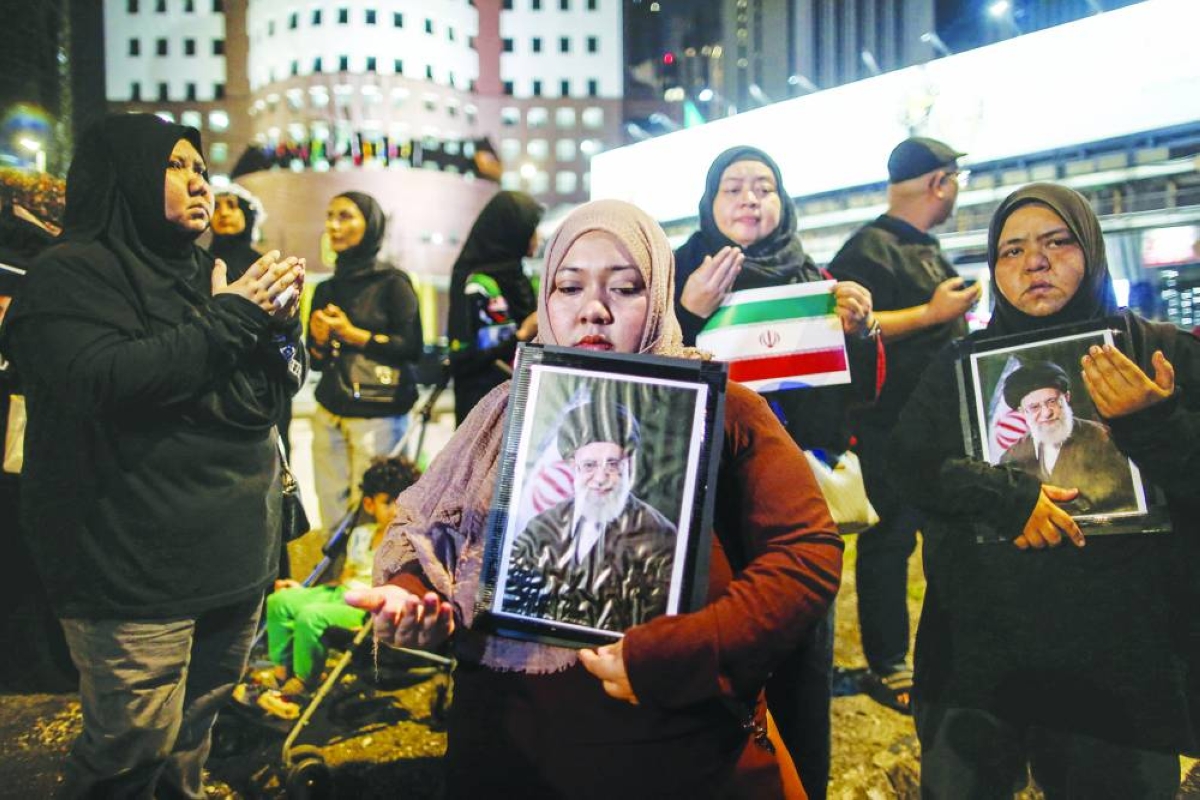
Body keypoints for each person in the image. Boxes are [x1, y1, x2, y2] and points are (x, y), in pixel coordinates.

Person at [345, 198, 842, 798]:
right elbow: (433, 537)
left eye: (626, 288)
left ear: (659, 294)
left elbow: (806, 552)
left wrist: (686, 652)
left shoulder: (724, 410)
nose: (594, 311)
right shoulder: (500, 418)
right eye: (568, 286)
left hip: (674, 754)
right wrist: (415, 598)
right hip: (510, 748)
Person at [1, 113, 305, 799]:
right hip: (132, 573)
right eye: (177, 166)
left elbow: (261, 398)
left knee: (187, 746)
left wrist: (282, 331)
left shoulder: (207, 273)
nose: (200, 182)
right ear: (127, 174)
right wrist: (236, 318)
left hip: (230, 564)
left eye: (202, 168)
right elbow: (104, 381)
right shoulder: (70, 277)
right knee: (129, 751)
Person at [890, 183, 1200, 797]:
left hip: (1120, 673)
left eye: (1057, 242)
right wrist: (1002, 495)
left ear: (1090, 248)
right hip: (984, 664)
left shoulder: (1156, 353)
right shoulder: (961, 366)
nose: (1035, 262)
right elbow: (906, 464)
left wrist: (1156, 423)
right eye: (1011, 251)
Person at [673, 145, 880, 799]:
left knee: (799, 659)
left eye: (765, 187)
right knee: (710, 659)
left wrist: (861, 330)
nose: (750, 199)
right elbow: (644, 381)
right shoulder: (676, 272)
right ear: (708, 204)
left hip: (793, 508)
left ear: (783, 203)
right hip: (701, 509)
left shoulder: (811, 278)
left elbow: (858, 396)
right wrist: (683, 311)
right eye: (732, 188)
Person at [826, 136, 981, 715]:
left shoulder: (923, 246)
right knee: (888, 544)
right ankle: (889, 661)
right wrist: (930, 314)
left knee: (941, 537)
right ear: (940, 182)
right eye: (956, 181)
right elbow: (841, 328)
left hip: (940, 425)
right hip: (889, 427)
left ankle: (941, 649)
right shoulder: (869, 248)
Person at [248, 456, 420, 717]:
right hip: (342, 592)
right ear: (370, 504)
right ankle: (282, 671)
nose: (397, 509)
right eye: (388, 502)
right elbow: (343, 579)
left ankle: (304, 682)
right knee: (280, 601)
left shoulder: (408, 543)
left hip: (367, 608)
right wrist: (304, 592)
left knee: (310, 617)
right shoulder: (362, 535)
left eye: (403, 502)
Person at [505, 400, 677, 632]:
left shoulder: (660, 536)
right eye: (589, 465)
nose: (600, 478)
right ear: (573, 467)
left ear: (630, 465)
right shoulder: (541, 528)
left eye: (613, 465)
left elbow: (659, 628)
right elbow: (513, 601)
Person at [307, 192, 423, 529]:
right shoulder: (326, 287)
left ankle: (371, 578)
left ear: (370, 225)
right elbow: (315, 362)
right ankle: (335, 576)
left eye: (345, 216)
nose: (333, 225)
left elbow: (412, 346)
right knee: (331, 506)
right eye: (330, 216)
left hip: (379, 414)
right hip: (330, 409)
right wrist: (317, 338)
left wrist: (350, 333)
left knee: (375, 512)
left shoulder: (393, 282)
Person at [446, 190, 543, 425]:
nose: (537, 237)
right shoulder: (475, 283)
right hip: (483, 412)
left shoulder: (522, 278)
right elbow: (463, 359)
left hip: (522, 407)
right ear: (511, 232)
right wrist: (522, 334)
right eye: (531, 228)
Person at [998, 360, 1138, 515]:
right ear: (1022, 412)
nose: (1046, 413)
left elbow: (1130, 505)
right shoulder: (1012, 455)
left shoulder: (1104, 439)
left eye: (1052, 402)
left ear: (1067, 398)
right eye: (1034, 407)